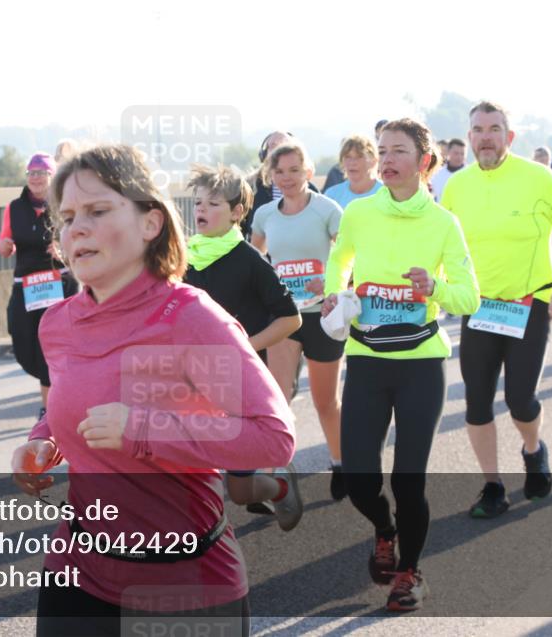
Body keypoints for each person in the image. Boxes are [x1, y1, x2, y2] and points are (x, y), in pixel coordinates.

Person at [10, 144, 295, 636]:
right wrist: (45, 439)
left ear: (150, 223)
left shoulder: (190, 318)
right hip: (77, 571)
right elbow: (73, 399)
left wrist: (143, 428)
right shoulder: (58, 322)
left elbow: (271, 437)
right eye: (69, 215)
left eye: (98, 211)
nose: (77, 227)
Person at [321, 118, 480, 611]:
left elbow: (469, 297)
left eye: (399, 151)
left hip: (420, 364)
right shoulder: (359, 213)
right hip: (367, 359)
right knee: (362, 481)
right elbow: (338, 259)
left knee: (409, 479)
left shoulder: (443, 223)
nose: (387, 159)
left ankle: (409, 572)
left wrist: (434, 289)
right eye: (382, 150)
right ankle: (383, 529)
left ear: (424, 162)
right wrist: (333, 294)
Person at [441, 101, 552, 518]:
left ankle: (533, 448)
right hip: (480, 307)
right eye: (478, 129)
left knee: (521, 400)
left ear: (509, 137)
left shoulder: (538, 178)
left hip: (531, 304)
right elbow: (442, 245)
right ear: (469, 138)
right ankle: (492, 486)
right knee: (476, 402)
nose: (485, 136)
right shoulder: (457, 186)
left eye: (494, 128)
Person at [183, 164, 302, 527]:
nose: (201, 209)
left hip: (239, 383)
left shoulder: (251, 260)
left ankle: (280, 488)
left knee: (239, 492)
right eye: (199, 202)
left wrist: (244, 346)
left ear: (237, 212)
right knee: (188, 475)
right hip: (190, 382)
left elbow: (290, 319)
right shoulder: (181, 257)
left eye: (213, 203)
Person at [250, 142, 347, 499]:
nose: (287, 178)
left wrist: (333, 281)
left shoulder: (327, 210)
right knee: (278, 398)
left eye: (294, 170)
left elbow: (348, 256)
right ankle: (272, 478)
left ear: (309, 172)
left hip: (322, 317)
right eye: (280, 172)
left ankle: (339, 463)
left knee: (325, 401)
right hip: (284, 319)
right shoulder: (264, 215)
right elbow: (255, 259)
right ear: (270, 176)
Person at [0, 153, 77, 419]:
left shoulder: (65, 204)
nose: (35, 178)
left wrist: (63, 252)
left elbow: (81, 239)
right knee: (21, 338)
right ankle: (55, 398)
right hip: (27, 284)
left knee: (53, 345)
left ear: (52, 177)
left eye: (41, 173)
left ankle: (51, 408)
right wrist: (5, 246)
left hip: (59, 282)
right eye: (31, 173)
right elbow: (4, 243)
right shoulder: (15, 207)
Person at [241, 131, 319, 240]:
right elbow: (238, 228)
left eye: (284, 145)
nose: (278, 151)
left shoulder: (311, 190)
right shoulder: (248, 187)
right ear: (264, 155)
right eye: (273, 146)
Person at [324, 135, 383, 209]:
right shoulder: (332, 195)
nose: (352, 162)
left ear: (373, 161)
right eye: (347, 157)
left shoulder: (388, 193)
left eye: (359, 156)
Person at [429, 138, 466, 202]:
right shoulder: (437, 174)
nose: (459, 157)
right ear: (448, 152)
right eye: (456, 153)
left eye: (462, 154)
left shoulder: (470, 175)